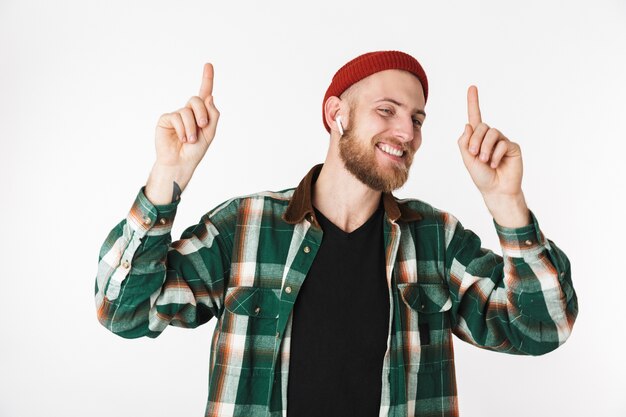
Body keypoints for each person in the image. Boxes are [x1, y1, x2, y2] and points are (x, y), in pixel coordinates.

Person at [95, 50, 578, 417]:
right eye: (386, 110)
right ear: (336, 114)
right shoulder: (244, 227)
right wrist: (166, 177)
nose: (407, 132)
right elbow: (124, 310)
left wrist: (506, 203)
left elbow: (540, 327)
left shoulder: (436, 239)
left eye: (416, 119)